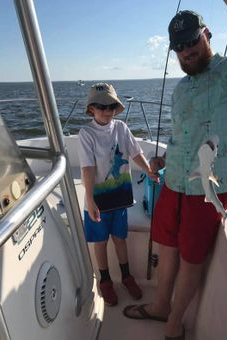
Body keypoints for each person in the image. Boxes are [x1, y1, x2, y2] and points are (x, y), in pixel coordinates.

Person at [123, 1, 227, 339]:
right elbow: (180, 136)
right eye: (179, 46)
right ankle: (160, 306)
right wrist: (164, 160)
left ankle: (174, 324)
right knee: (168, 247)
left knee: (191, 257)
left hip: (208, 191)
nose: (187, 50)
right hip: (173, 180)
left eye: (192, 40)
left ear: (207, 35)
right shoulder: (181, 89)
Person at [78, 83, 158, 306]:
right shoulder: (86, 134)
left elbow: (135, 153)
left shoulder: (121, 128)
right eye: (101, 106)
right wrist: (91, 200)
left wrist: (149, 171)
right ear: (91, 109)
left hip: (120, 198)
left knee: (120, 239)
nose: (107, 110)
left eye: (111, 105)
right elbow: (87, 169)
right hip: (97, 203)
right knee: (101, 242)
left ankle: (126, 276)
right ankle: (105, 281)